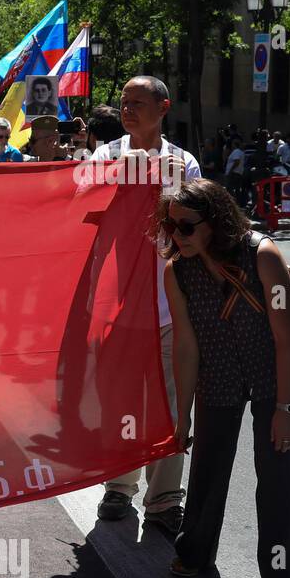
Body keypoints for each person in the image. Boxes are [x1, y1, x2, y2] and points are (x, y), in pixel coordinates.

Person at [162, 179, 290, 578]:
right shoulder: (178, 271)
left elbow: (288, 342)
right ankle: (194, 552)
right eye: (170, 227)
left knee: (277, 471)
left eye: (187, 228)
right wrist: (182, 417)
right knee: (208, 461)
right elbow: (187, 347)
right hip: (221, 368)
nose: (177, 237)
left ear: (216, 223)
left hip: (278, 371)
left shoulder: (263, 255)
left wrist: (285, 412)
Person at [90, 75, 199, 534]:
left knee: (173, 407)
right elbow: (82, 206)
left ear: (163, 107)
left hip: (171, 304)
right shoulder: (105, 155)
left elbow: (195, 220)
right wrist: (121, 176)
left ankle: (164, 500)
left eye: (138, 102)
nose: (128, 109)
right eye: (123, 102)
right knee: (122, 400)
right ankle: (120, 486)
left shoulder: (184, 162)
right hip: (119, 303)